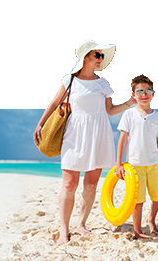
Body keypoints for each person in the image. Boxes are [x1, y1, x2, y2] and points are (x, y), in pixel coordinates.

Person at [33, 40, 136, 244]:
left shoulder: (103, 83)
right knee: (69, 183)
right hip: (74, 134)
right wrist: (40, 124)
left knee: (90, 184)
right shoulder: (70, 80)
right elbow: (54, 103)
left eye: (102, 56)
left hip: (99, 134)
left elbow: (109, 110)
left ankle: (81, 224)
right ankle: (64, 230)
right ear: (86, 57)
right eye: (97, 55)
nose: (100, 59)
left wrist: (129, 103)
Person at [114, 75, 158, 240]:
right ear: (134, 95)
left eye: (148, 91)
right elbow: (122, 140)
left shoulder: (157, 117)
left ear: (153, 93)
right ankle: (138, 231)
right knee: (138, 200)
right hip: (135, 165)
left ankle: (151, 219)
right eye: (140, 91)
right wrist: (119, 164)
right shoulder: (129, 115)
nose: (144, 94)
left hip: (153, 164)